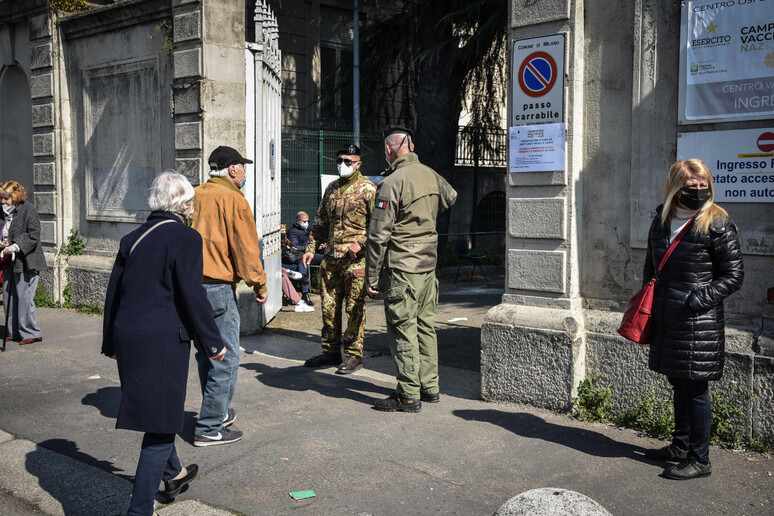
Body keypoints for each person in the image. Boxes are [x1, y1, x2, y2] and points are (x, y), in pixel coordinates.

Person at [102, 171, 226, 516]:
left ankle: (174, 475)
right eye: (190, 202)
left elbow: (114, 292)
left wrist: (109, 339)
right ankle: (139, 510)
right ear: (184, 203)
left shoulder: (132, 237)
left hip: (129, 337)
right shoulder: (185, 236)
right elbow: (192, 294)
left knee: (157, 413)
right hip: (163, 340)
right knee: (160, 429)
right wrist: (213, 342)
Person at [642, 159, 743, 480]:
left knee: (696, 389)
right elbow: (651, 267)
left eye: (704, 186)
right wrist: (650, 303)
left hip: (699, 321)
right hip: (667, 318)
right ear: (676, 187)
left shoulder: (717, 223)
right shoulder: (661, 221)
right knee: (677, 382)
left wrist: (698, 299)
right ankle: (680, 447)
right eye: (691, 186)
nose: (699, 191)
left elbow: (734, 275)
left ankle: (700, 460)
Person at [365, 125, 457, 413]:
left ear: (390, 149)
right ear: (412, 146)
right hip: (428, 267)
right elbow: (450, 197)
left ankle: (407, 395)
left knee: (403, 331)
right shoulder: (431, 175)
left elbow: (378, 235)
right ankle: (430, 388)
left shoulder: (392, 182)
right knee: (425, 327)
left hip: (402, 268)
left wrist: (371, 277)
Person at [192, 145, 269, 446]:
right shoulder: (233, 199)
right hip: (218, 288)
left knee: (206, 354)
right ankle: (210, 426)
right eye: (243, 167)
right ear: (233, 169)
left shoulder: (195, 195)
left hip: (193, 287)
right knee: (225, 358)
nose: (245, 172)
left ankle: (218, 412)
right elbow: (246, 249)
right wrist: (259, 285)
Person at [302, 144, 376, 374]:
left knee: (354, 308)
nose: (342, 164)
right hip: (332, 260)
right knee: (329, 307)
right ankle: (331, 351)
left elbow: (380, 226)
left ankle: (354, 356)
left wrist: (361, 242)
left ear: (358, 164)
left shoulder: (368, 189)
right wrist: (310, 248)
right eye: (339, 160)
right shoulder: (332, 189)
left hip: (356, 262)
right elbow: (320, 222)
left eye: (347, 161)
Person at [1, 180, 46, 347]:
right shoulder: (4, 212)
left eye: (6, 199)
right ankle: (12, 331)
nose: (3, 202)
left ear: (15, 196)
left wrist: (15, 245)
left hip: (26, 261)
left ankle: (30, 332)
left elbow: (34, 235)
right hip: (8, 260)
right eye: (2, 199)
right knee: (8, 296)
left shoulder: (29, 209)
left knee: (24, 298)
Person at [287, 211, 323, 306]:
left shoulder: (308, 230)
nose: (306, 223)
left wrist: (320, 245)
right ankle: (305, 293)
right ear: (297, 221)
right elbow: (295, 247)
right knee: (304, 262)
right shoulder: (292, 232)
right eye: (304, 221)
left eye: (307, 221)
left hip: (314, 252)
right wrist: (310, 248)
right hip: (302, 255)